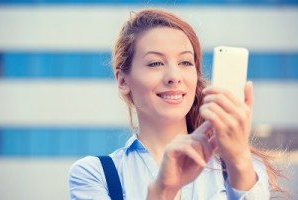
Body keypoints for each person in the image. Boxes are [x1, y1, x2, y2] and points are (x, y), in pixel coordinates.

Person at [69, 8, 280, 200]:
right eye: (156, 63)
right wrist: (163, 191)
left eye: (185, 62)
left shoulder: (243, 168)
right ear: (123, 81)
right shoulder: (95, 175)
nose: (174, 76)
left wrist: (239, 160)